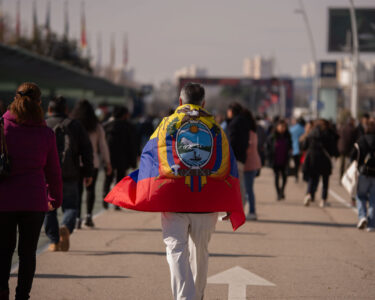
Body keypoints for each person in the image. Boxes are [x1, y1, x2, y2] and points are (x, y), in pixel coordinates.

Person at [104, 82, 245, 300]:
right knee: (200, 254)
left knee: (176, 251)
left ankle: (184, 298)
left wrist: (140, 186)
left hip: (172, 198)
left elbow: (150, 158)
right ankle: (197, 297)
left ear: (180, 102)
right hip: (206, 200)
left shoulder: (166, 124)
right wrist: (230, 202)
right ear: (203, 103)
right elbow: (230, 167)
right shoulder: (217, 129)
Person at [0, 83, 62, 300]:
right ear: (39, 103)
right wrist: (55, 198)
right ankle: (22, 296)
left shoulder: (2, 128)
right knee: (28, 254)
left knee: (4, 251)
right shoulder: (46, 134)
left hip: (3, 201)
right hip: (34, 201)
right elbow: (54, 171)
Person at [44, 96, 93, 251]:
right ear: (66, 110)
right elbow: (87, 150)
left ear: (49, 110)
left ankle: (54, 241)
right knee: (71, 206)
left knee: (49, 208)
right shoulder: (75, 125)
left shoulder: (43, 124)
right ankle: (66, 226)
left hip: (47, 175)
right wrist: (88, 172)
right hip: (71, 172)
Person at [71, 99, 112, 227]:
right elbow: (103, 146)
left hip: (76, 162)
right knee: (91, 189)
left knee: (77, 190)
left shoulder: (73, 125)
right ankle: (89, 216)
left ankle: (77, 217)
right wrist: (107, 162)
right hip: (92, 161)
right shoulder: (96, 126)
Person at [102, 106, 137, 210]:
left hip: (109, 157)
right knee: (120, 180)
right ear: (123, 115)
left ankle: (105, 197)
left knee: (108, 178)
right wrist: (133, 161)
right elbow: (132, 145)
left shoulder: (106, 126)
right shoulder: (128, 127)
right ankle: (117, 202)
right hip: (123, 158)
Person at [302, 119, 339, 207]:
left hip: (312, 158)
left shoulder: (311, 132)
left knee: (312, 177)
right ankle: (323, 199)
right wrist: (336, 154)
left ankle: (309, 194)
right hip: (325, 159)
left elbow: (304, 146)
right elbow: (333, 146)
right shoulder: (328, 133)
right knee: (325, 180)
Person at [351, 119, 375, 232]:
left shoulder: (361, 140)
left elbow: (353, 155)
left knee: (360, 196)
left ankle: (362, 217)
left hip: (363, 173)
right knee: (373, 200)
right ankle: (371, 224)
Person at [227, 102, 250, 206]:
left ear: (232, 111)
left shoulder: (234, 123)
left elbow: (232, 142)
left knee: (234, 184)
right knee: (240, 183)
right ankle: (241, 205)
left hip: (235, 157)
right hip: (242, 156)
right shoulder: (245, 122)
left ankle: (235, 207)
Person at [266, 119, 292, 200]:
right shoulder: (272, 137)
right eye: (281, 126)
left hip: (285, 160)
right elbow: (268, 147)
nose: (282, 128)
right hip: (275, 160)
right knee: (277, 177)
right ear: (277, 127)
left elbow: (290, 147)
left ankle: (282, 190)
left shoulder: (287, 136)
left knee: (285, 177)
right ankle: (278, 193)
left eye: (284, 127)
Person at [243, 109, 262, 220]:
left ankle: (252, 211)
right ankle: (250, 210)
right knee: (248, 189)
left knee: (248, 189)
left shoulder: (249, 133)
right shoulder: (253, 132)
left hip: (249, 163)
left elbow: (249, 147)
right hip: (252, 163)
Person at [338, 118, 357, 183]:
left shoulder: (342, 128)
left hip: (342, 148)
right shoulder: (353, 129)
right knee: (349, 164)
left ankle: (341, 178)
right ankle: (345, 178)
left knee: (342, 165)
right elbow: (353, 140)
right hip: (348, 149)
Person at [289, 117, 305, 182]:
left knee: (296, 163)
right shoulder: (303, 129)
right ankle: (302, 175)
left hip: (293, 149)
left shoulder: (292, 129)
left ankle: (296, 176)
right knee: (301, 163)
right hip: (301, 149)